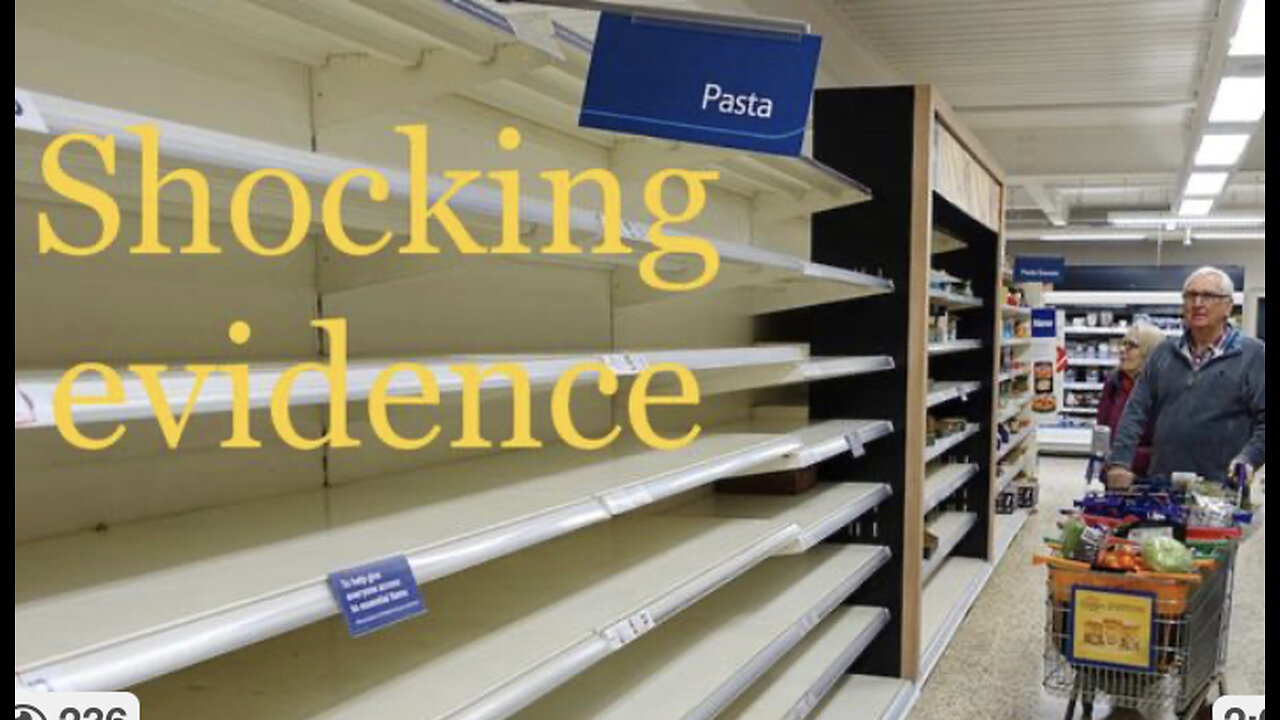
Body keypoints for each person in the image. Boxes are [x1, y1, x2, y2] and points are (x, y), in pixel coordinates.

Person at [1108, 267, 1265, 488]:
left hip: (1220, 489)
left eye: (1208, 296)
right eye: (1191, 295)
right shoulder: (1163, 353)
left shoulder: (1254, 355)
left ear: (1228, 307)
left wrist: (1249, 458)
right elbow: (1136, 410)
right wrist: (1120, 462)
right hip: (1162, 484)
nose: (1198, 303)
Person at [1095, 323, 1165, 478]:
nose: (1122, 350)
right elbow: (1103, 427)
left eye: (1132, 346)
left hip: (1149, 479)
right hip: (1114, 476)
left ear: (1150, 352)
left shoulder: (1162, 389)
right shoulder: (1114, 383)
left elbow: (1165, 447)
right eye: (1123, 344)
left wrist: (1122, 458)